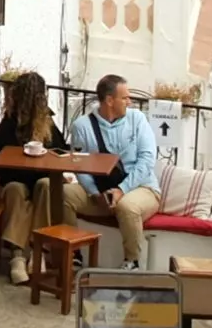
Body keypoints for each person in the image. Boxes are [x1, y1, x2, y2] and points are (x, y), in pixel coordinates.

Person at [62, 72, 161, 263]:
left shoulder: (137, 119)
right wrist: (93, 193)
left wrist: (121, 190)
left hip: (141, 188)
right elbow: (80, 165)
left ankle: (132, 262)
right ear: (109, 100)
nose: (129, 102)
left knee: (127, 206)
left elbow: (147, 160)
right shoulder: (82, 126)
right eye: (124, 98)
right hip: (101, 191)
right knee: (63, 193)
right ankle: (73, 255)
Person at [0, 69, 59, 284]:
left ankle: (38, 251)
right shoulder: (10, 122)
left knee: (47, 186)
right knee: (16, 190)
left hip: (39, 179)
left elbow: (60, 152)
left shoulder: (48, 122)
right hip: (14, 178)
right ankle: (17, 256)